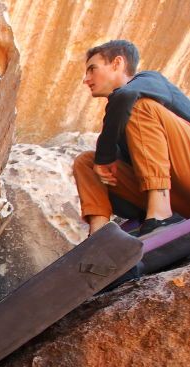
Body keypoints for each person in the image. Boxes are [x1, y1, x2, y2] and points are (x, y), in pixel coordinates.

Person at [73, 39, 190, 237]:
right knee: (86, 162)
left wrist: (105, 157)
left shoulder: (150, 80)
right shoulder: (121, 120)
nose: (86, 79)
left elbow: (127, 96)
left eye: (92, 69)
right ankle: (98, 236)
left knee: (140, 107)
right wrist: (101, 161)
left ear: (118, 63)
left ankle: (159, 214)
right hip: (179, 198)